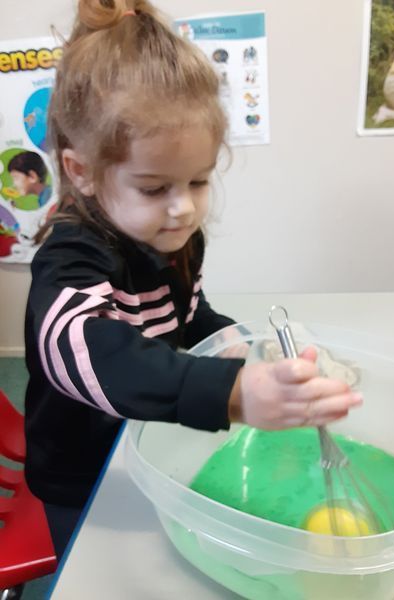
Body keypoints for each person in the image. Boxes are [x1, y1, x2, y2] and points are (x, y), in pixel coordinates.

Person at [24, 0, 363, 562]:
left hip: (151, 440)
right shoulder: (71, 254)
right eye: (155, 188)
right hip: (81, 471)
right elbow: (80, 347)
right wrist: (228, 391)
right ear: (82, 171)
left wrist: (244, 346)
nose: (183, 209)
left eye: (199, 181)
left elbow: (188, 315)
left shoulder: (172, 236)